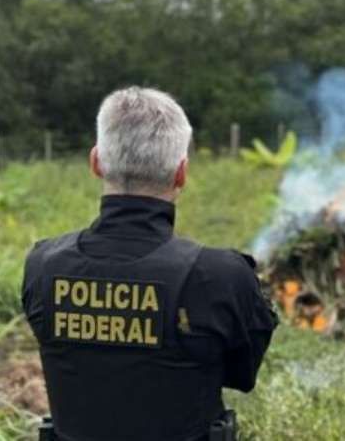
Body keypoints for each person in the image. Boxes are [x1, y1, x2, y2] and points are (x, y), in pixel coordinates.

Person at [22, 87, 277, 441]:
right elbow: (240, 374)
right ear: (181, 173)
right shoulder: (223, 276)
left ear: (96, 162)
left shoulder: (42, 265)